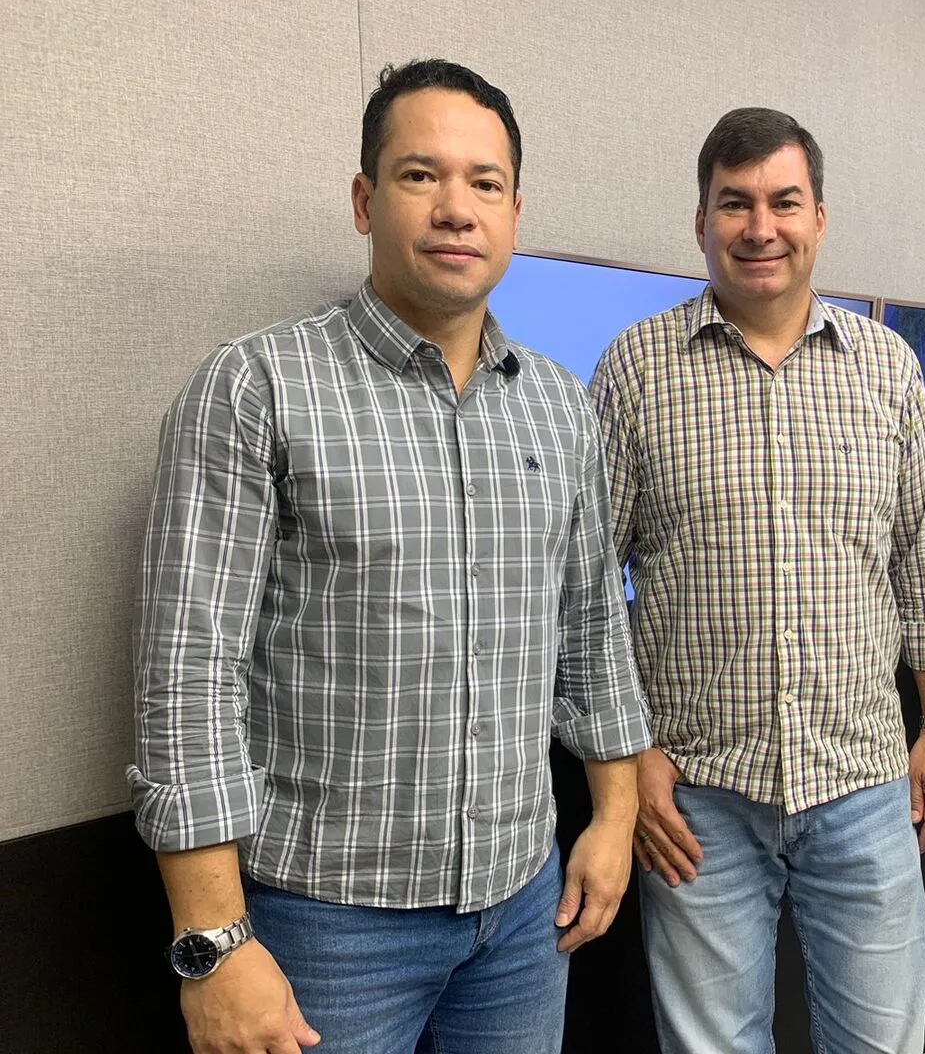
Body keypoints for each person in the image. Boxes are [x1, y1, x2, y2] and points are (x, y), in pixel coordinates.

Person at [128, 58, 650, 1054]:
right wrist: (211, 940)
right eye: (421, 176)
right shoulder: (257, 388)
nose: (457, 207)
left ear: (514, 212)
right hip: (326, 928)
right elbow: (188, 675)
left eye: (484, 183)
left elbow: (592, 633)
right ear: (366, 201)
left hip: (521, 910)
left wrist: (614, 816)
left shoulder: (555, 402)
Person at [589, 107, 925, 1054]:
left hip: (865, 779)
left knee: (881, 1042)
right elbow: (587, 583)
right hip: (696, 795)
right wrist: (629, 753)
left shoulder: (885, 368)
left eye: (783, 202)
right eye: (735, 203)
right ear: (701, 221)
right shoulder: (636, 369)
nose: (760, 226)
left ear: (820, 219)